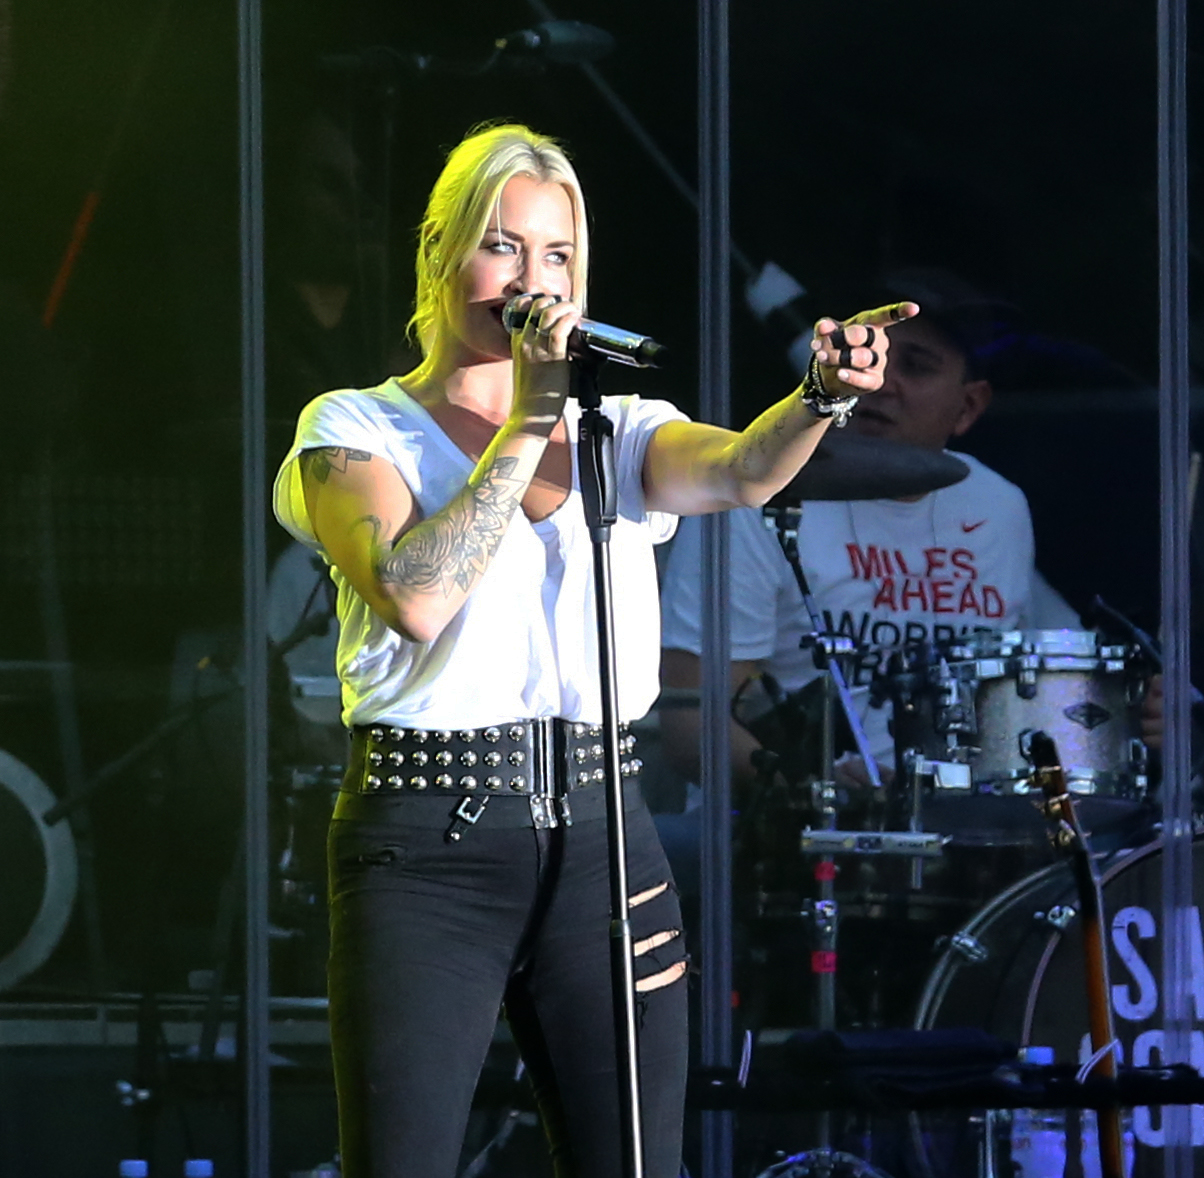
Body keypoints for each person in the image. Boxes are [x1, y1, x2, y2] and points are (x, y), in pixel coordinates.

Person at [271, 122, 914, 1178]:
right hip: (428, 841)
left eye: (557, 254)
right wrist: (529, 419)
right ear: (439, 253)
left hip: (602, 829)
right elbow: (415, 597)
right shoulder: (356, 429)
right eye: (504, 246)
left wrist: (820, 396)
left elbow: (743, 470)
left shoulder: (618, 428)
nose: (534, 279)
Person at [656, 271, 1078, 790]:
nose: (880, 381)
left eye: (916, 367)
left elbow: (1034, 693)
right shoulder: (749, 492)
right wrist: (816, 788)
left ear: (969, 406)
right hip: (790, 824)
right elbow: (692, 726)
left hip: (966, 819)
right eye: (868, 357)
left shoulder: (998, 506)